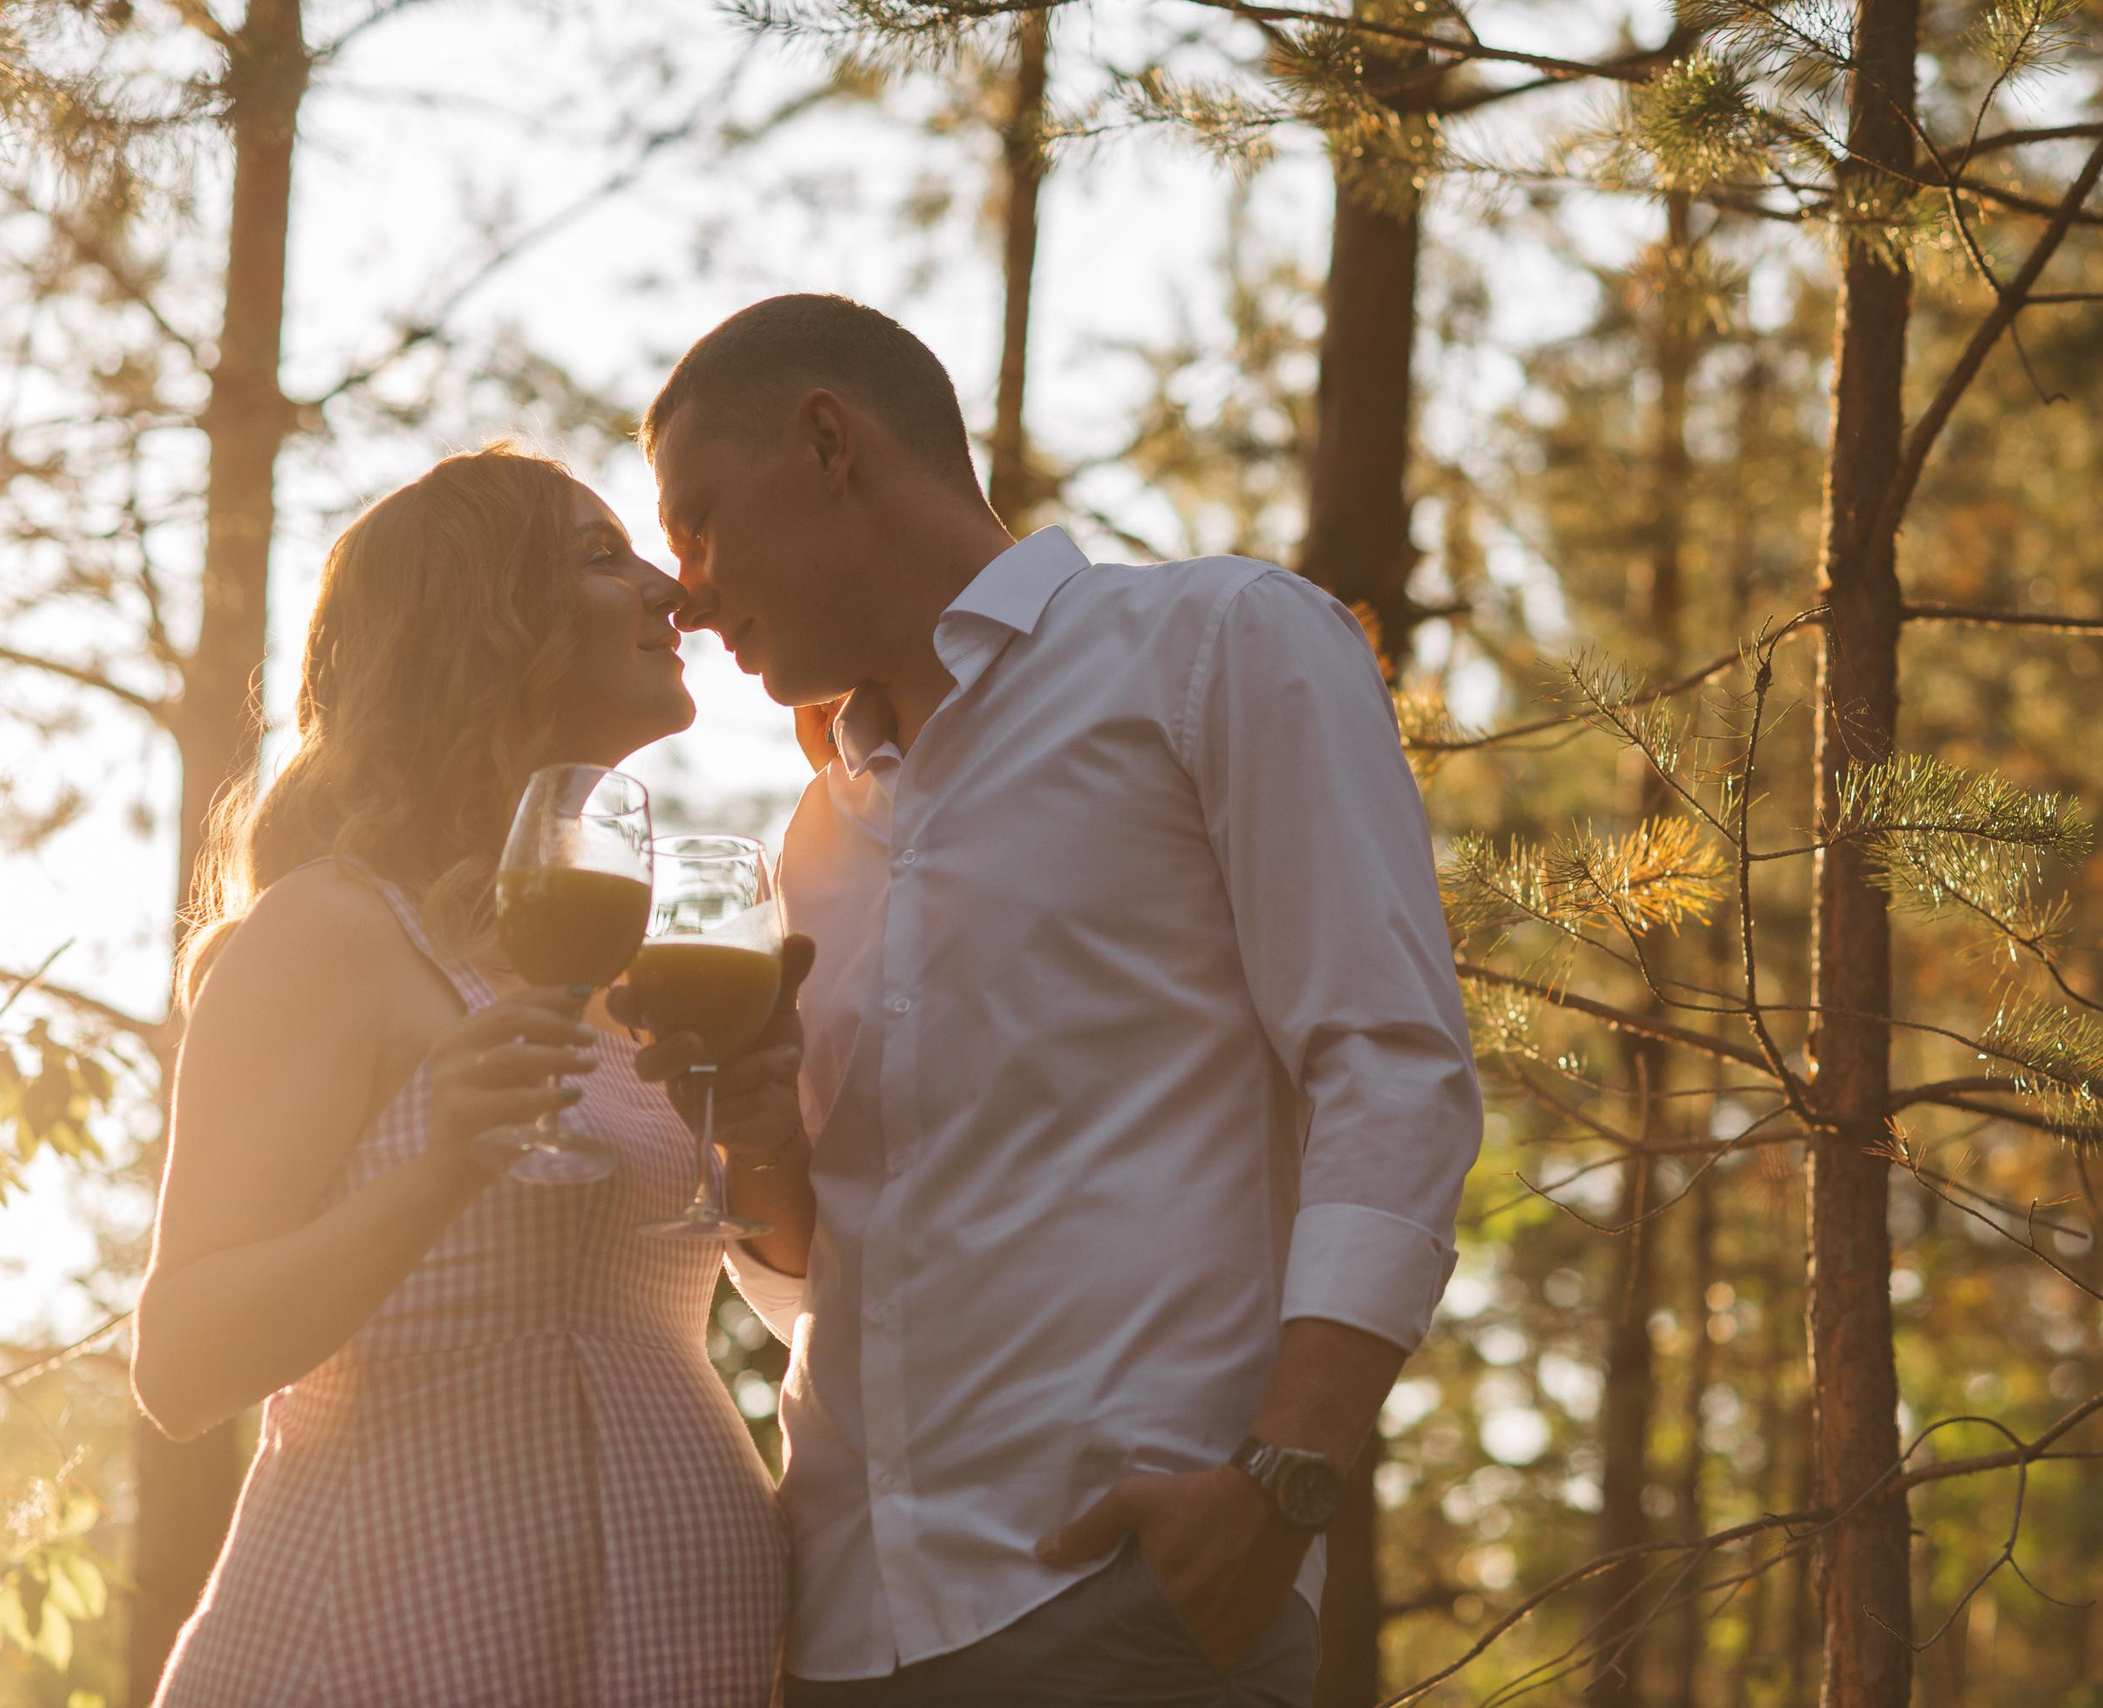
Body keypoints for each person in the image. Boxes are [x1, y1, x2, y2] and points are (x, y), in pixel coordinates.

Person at [632, 295, 1484, 1706]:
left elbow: (1392, 1070)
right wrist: (764, 1139)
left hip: (1127, 1609)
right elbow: (829, 1285)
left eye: (701, 524)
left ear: (829, 444)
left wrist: (1283, 1483)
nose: (690, 595)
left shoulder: (1217, 645)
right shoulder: (815, 841)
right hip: (836, 1634)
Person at [131, 446, 790, 1706]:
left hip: (679, 1637)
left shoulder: (629, 953)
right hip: (399, 1635)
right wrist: (438, 1170)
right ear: (483, 625)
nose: (669, 588)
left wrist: (770, 1135)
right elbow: (180, 1362)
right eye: (603, 557)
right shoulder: (330, 929)